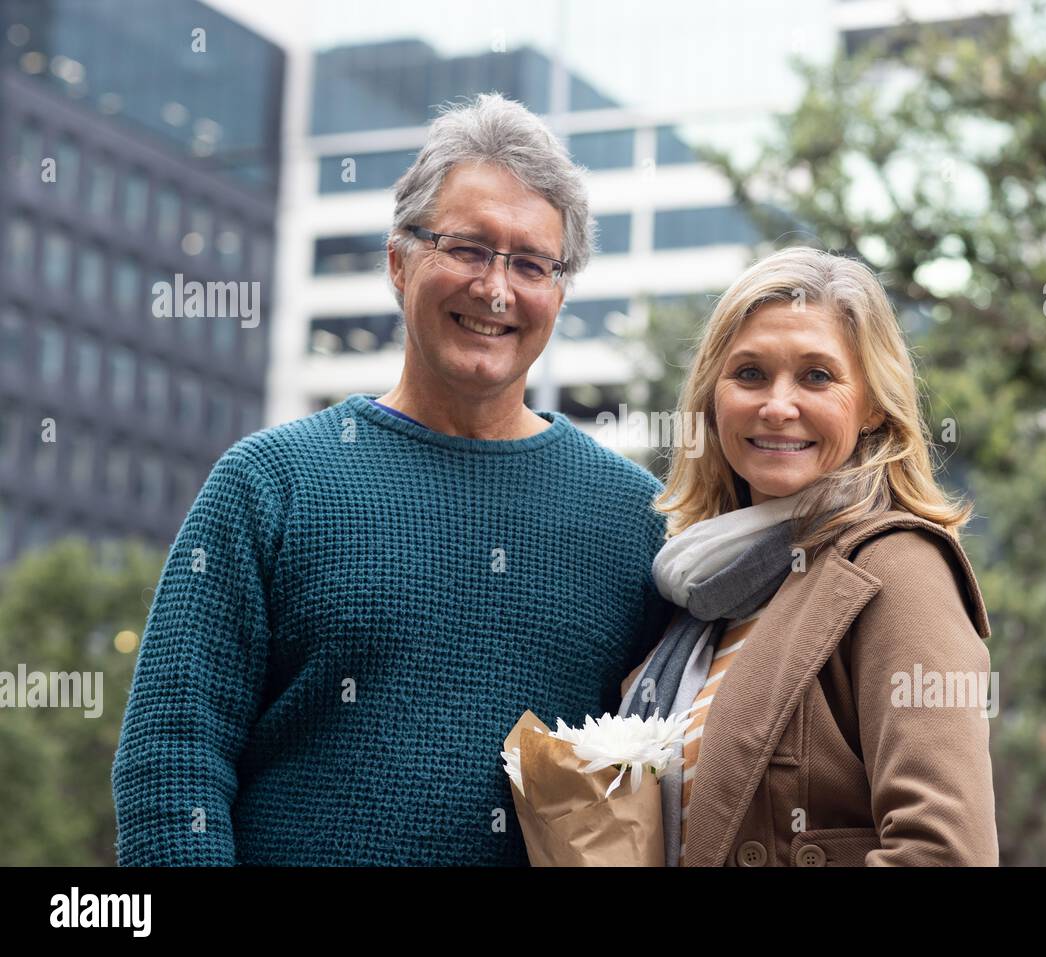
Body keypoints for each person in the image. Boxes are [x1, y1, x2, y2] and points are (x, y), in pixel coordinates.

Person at [112, 93, 672, 866]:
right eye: (469, 248)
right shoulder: (268, 485)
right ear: (398, 261)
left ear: (561, 291)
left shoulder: (633, 520)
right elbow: (171, 768)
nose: (498, 288)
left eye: (531, 262)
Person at [619, 246, 998, 866]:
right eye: (749, 374)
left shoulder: (897, 569)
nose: (776, 405)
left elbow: (944, 854)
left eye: (817, 376)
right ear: (713, 400)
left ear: (873, 402)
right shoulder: (703, 591)